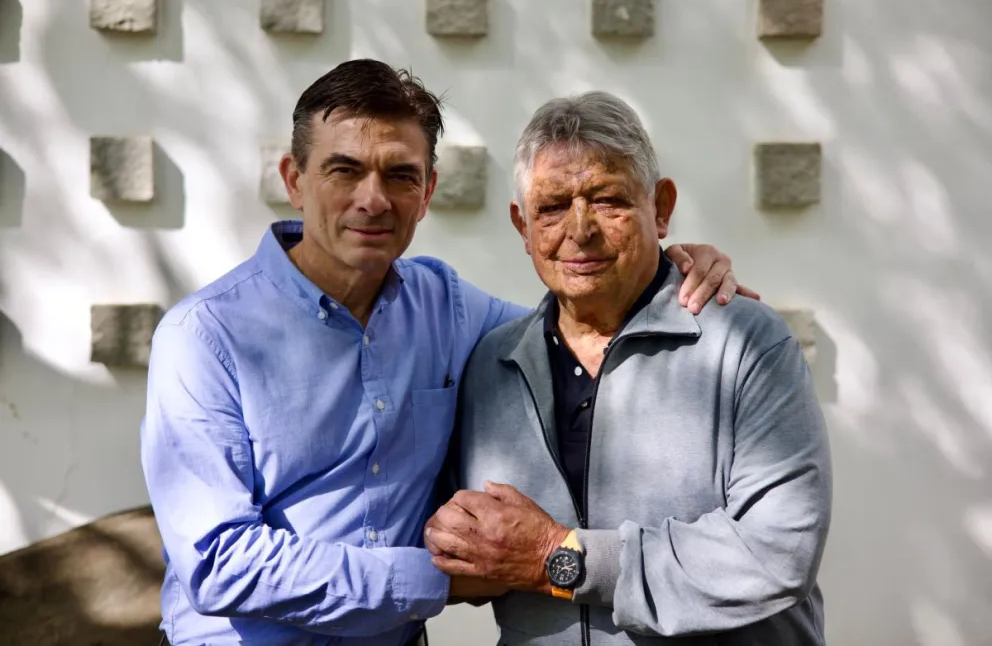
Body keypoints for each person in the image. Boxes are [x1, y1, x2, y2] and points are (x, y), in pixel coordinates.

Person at [139, 59, 758, 646]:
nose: (373, 199)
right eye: (344, 170)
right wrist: (438, 578)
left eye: (400, 175)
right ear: (295, 181)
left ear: (429, 190)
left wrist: (663, 265)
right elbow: (220, 564)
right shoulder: (205, 337)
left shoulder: (450, 307)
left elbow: (588, 318)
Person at [425, 91, 832, 646]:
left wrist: (557, 558)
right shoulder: (490, 364)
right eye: (551, 207)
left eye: (607, 199)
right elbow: (459, 555)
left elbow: (777, 553)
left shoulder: (747, 344)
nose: (580, 228)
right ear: (523, 226)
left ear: (660, 208)